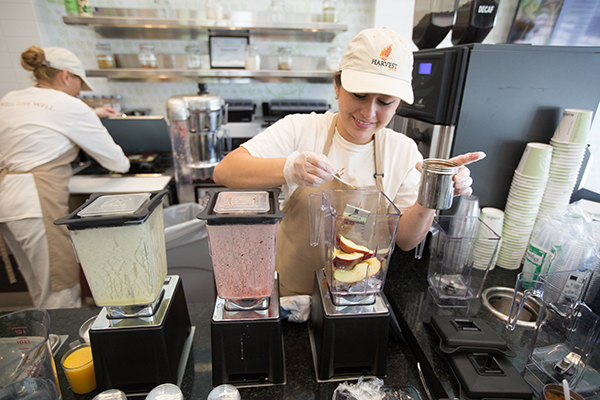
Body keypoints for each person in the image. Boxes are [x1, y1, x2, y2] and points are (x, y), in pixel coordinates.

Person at [213, 28, 484, 296]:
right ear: (337, 86)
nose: (369, 112)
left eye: (385, 102)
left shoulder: (403, 151)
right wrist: (289, 168)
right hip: (292, 295)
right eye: (359, 95)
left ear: (398, 103)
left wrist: (432, 192)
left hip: (357, 299)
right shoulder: (301, 129)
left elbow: (405, 240)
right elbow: (225, 170)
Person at [0, 46, 130, 309]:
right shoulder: (70, 105)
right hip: (36, 200)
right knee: (60, 288)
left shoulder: (11, 98)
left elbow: (43, 123)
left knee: (38, 287)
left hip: (8, 198)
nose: (80, 90)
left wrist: (93, 115)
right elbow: (118, 162)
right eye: (79, 82)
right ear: (66, 76)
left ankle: (47, 340)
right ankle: (65, 345)